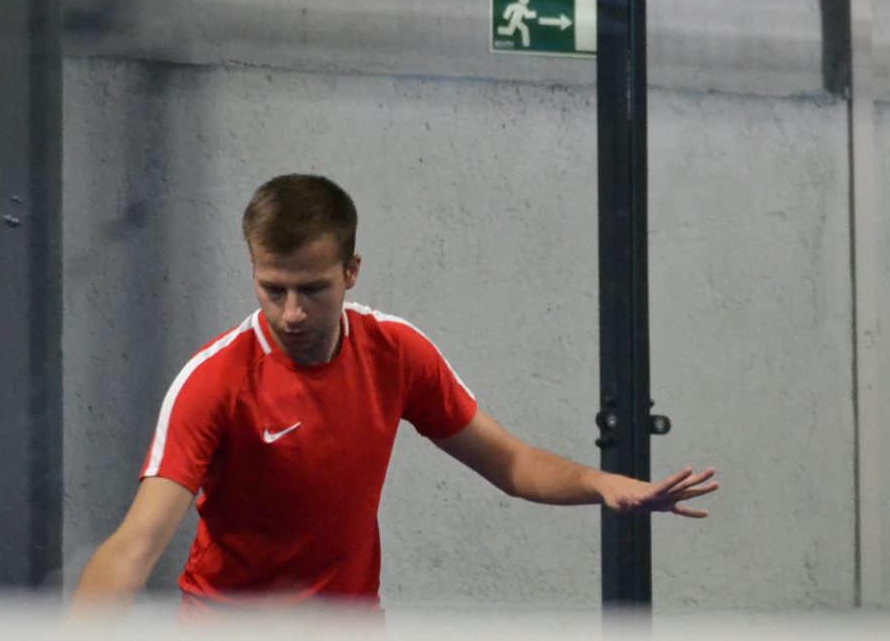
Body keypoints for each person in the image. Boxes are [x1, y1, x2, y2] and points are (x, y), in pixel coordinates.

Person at [72, 173, 718, 612]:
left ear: (351, 272)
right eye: (273, 288)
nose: (291, 313)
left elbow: (511, 463)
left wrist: (599, 482)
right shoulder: (215, 381)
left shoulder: (396, 354)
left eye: (313, 289)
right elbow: (135, 545)